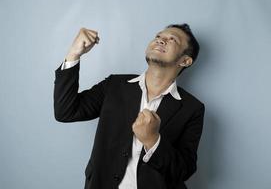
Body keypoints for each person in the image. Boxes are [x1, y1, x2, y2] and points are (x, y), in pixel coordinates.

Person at [53, 23, 205, 189]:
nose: (161, 41)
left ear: (185, 60)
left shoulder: (192, 108)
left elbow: (184, 170)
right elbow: (66, 111)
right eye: (158, 37)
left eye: (172, 40)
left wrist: (153, 141)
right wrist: (74, 54)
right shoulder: (114, 85)